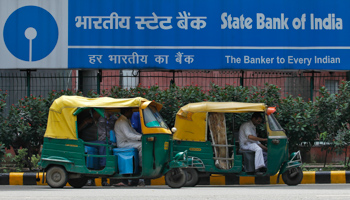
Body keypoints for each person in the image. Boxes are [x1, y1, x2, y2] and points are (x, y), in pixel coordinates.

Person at [114, 108, 145, 187]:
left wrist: (142, 136)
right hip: (123, 143)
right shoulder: (122, 122)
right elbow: (128, 135)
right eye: (131, 111)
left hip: (128, 141)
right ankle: (140, 166)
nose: (132, 113)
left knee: (143, 143)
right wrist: (140, 137)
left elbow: (133, 132)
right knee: (142, 145)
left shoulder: (126, 120)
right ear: (126, 112)